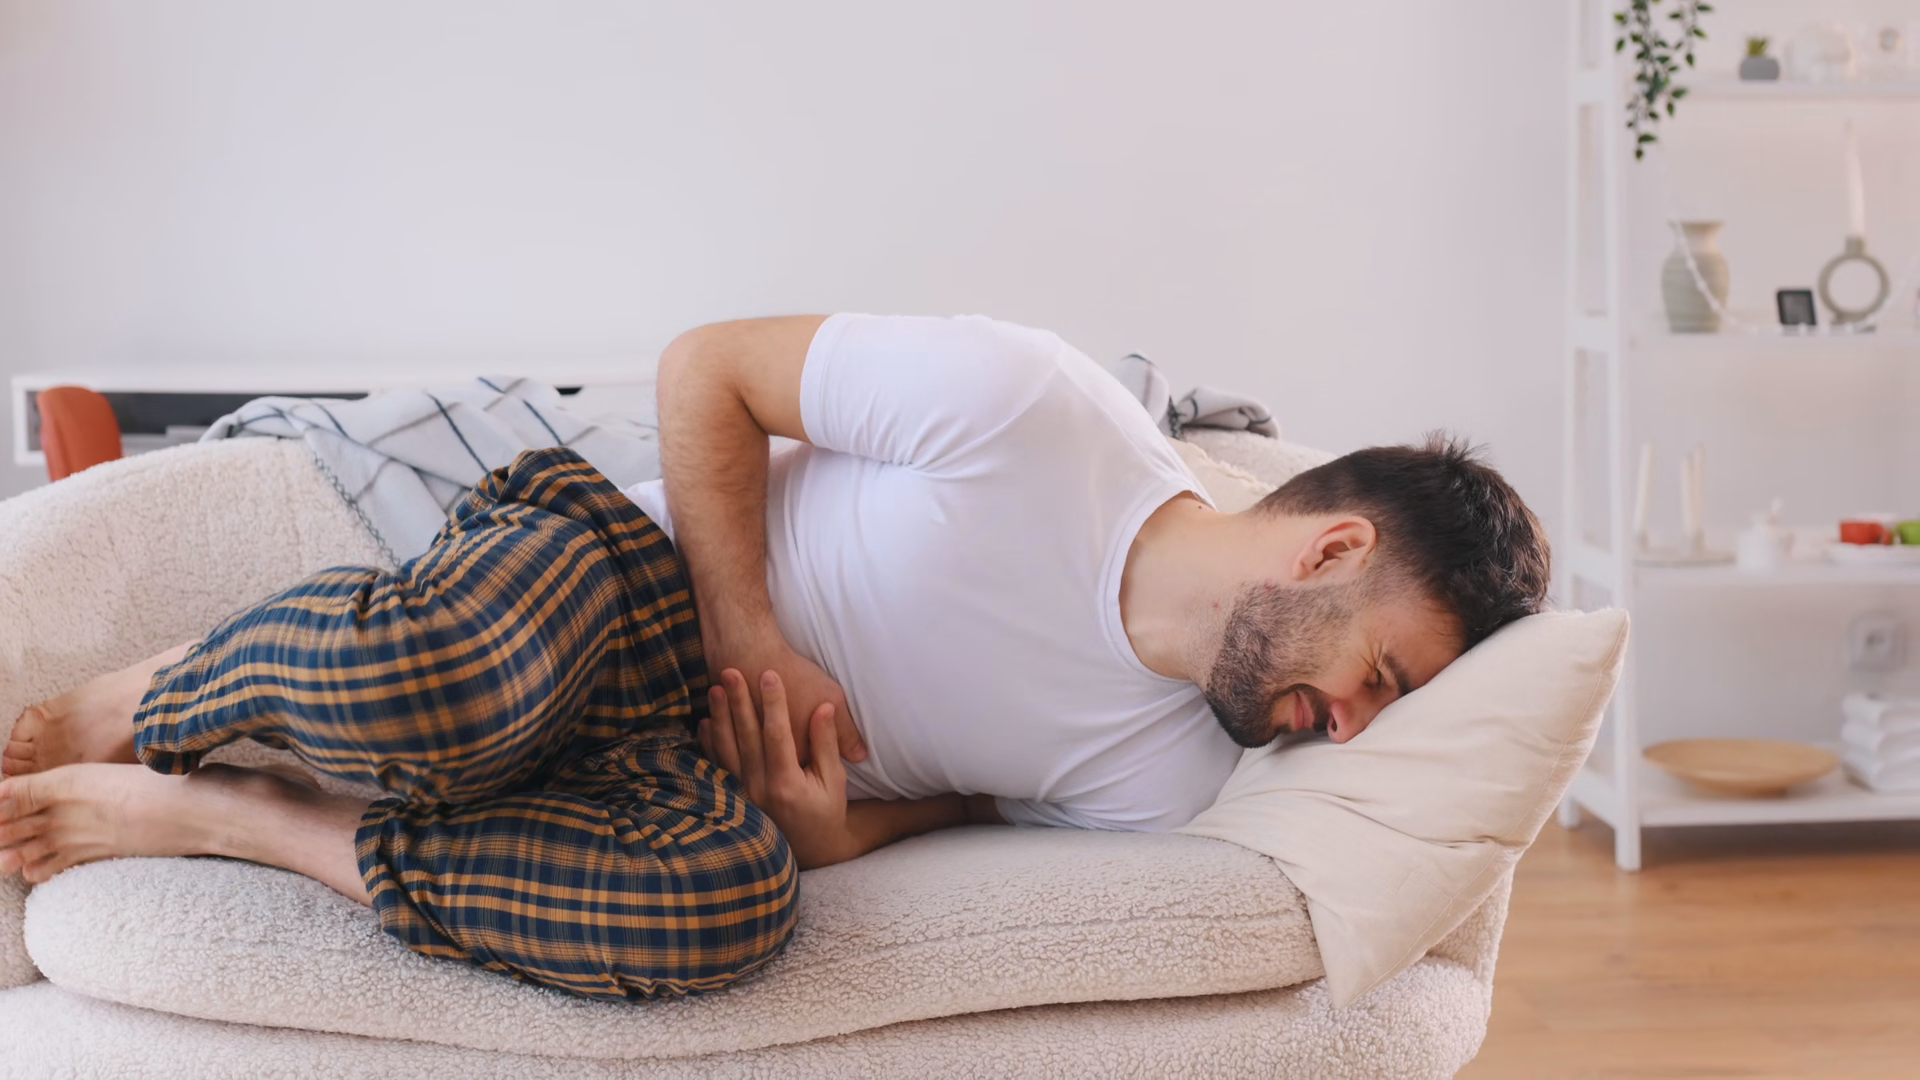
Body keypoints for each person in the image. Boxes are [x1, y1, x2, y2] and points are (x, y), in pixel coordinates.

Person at [0, 313, 1550, 1001]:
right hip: (618, 589)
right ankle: (155, 695)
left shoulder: (1177, 781)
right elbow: (711, 369)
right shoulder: (1036, 410)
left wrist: (835, 833)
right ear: (1330, 551)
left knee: (728, 909)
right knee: (450, 682)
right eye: (1385, 677)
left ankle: (242, 818)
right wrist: (750, 632)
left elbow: (977, 809)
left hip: (684, 774)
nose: (1353, 726)